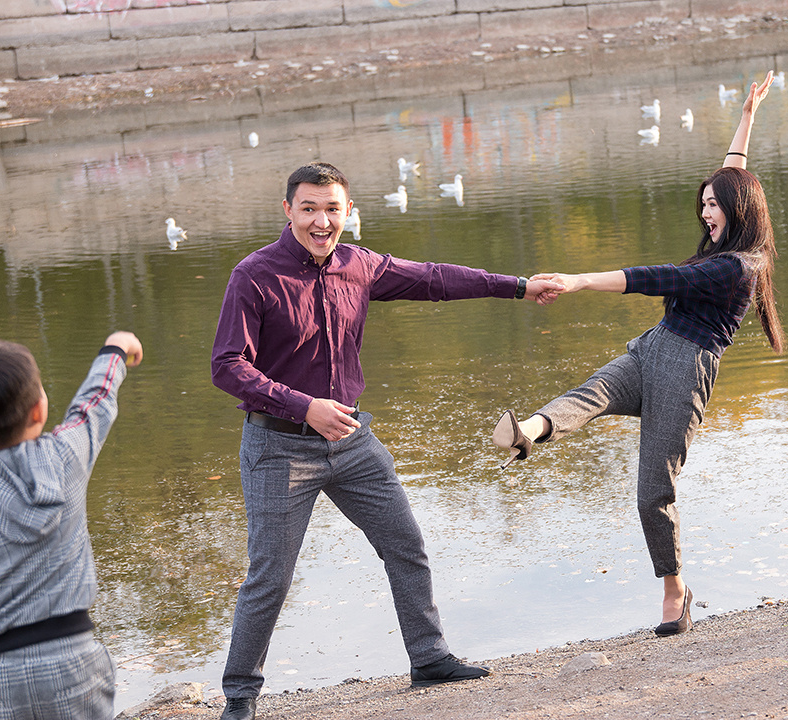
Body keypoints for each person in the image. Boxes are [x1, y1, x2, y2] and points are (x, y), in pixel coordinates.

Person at [210, 162, 562, 720]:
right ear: (288, 211)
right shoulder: (254, 275)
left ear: (347, 211)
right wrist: (305, 406)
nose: (321, 221)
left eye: (332, 209)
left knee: (406, 545)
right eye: (309, 208)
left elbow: (436, 279)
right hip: (278, 449)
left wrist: (519, 287)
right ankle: (240, 697)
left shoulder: (360, 265)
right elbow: (227, 367)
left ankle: (428, 658)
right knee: (269, 578)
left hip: (351, 442)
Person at [492, 71, 785, 638]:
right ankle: (526, 431)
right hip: (653, 347)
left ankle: (676, 589)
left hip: (687, 368)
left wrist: (578, 281)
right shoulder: (726, 241)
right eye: (701, 204)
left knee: (653, 488)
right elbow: (734, 174)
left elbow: (654, 277)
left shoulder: (736, 267)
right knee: (589, 394)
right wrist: (748, 113)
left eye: (713, 206)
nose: (705, 213)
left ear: (737, 209)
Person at [0, 331, 144, 720]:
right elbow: (94, 403)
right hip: (74, 661)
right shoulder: (67, 456)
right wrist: (115, 350)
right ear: (38, 411)